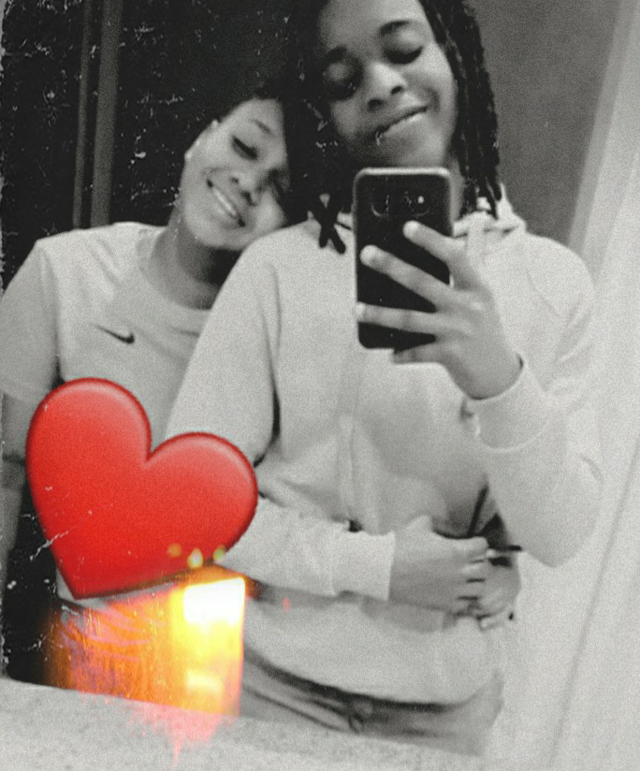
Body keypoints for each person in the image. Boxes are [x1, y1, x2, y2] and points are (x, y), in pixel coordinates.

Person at [165, 0, 601, 754]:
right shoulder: (278, 271)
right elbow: (192, 505)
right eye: (343, 80)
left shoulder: (551, 284)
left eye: (403, 49)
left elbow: (559, 535)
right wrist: (381, 567)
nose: (379, 84)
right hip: (269, 694)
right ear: (325, 114)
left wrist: (498, 381)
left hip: (446, 718)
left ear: (457, 56)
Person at [0, 90, 300, 698]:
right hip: (90, 650)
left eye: (281, 189)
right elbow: (4, 469)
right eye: (244, 147)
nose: (248, 183)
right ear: (200, 140)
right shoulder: (65, 272)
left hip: (241, 667)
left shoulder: (287, 326)